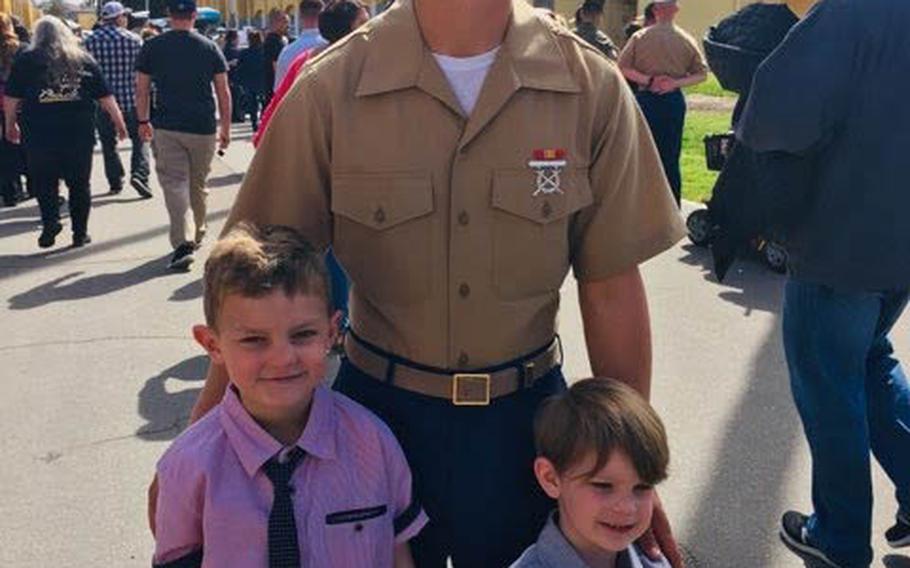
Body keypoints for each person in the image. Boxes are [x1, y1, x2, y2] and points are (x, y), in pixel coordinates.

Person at [162, 1, 686, 566]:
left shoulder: (589, 88)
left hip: (528, 427)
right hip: (373, 426)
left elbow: (610, 287)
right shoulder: (333, 88)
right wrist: (203, 442)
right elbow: (250, 285)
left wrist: (627, 461)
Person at [734, 0, 910, 566]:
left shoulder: (857, 12)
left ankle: (837, 536)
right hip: (899, 246)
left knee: (830, 385)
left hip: (842, 243)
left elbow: (772, 114)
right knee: (867, 361)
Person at [152, 222, 427, 567]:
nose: (283, 358)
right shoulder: (188, 467)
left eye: (303, 335)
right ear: (212, 344)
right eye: (254, 339)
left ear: (331, 333)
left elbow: (398, 552)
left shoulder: (373, 442)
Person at [511, 378, 671, 568]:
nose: (627, 507)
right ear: (551, 478)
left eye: (642, 487)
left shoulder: (654, 563)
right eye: (603, 485)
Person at [3, 15, 127, 248]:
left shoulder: (26, 60)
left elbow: (11, 98)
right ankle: (80, 233)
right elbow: (105, 96)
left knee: (44, 181)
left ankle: (50, 222)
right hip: (77, 133)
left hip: (38, 133)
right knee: (80, 184)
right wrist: (119, 122)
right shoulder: (82, 60)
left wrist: (10, 124)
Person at [135, 0, 231, 270]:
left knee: (174, 183)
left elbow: (141, 88)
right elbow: (223, 91)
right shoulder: (209, 47)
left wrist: (143, 120)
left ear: (169, 15)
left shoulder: (152, 46)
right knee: (198, 184)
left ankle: (183, 241)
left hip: (167, 125)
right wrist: (225, 128)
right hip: (202, 126)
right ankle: (197, 231)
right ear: (194, 15)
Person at [617, 0, 706, 206]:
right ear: (676, 10)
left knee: (642, 154)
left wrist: (648, 80)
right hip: (672, 101)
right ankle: (671, 208)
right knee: (671, 156)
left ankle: (640, 206)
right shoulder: (686, 39)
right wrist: (674, 82)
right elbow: (701, 74)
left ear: (655, 11)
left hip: (646, 99)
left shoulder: (640, 37)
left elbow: (622, 67)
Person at [84, 1, 152, 198]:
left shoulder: (90, 41)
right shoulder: (134, 40)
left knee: (108, 142)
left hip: (102, 102)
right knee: (140, 137)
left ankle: (115, 181)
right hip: (131, 99)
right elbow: (143, 73)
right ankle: (139, 173)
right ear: (120, 17)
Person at [274, 0, 326, 86]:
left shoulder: (287, 52)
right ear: (323, 16)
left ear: (300, 17)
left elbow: (279, 89)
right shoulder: (332, 46)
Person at [0, 11, 23, 207]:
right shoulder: (17, 48)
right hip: (18, 103)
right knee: (21, 144)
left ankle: (9, 192)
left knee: (3, 150)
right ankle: (32, 185)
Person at [235, 29, 266, 131]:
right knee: (264, 102)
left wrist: (238, 81)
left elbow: (240, 68)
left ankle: (254, 123)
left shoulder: (244, 53)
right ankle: (263, 119)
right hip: (262, 80)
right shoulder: (264, 52)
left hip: (249, 81)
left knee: (252, 103)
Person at [262, 8, 289, 103]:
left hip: (270, 86)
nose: (288, 25)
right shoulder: (274, 42)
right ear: (277, 22)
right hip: (275, 88)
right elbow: (277, 67)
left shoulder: (273, 40)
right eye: (285, 22)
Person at [220, 28, 243, 122]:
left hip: (227, 76)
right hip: (234, 76)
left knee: (231, 97)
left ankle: (232, 116)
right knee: (236, 97)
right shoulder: (234, 50)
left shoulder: (224, 49)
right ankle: (237, 116)